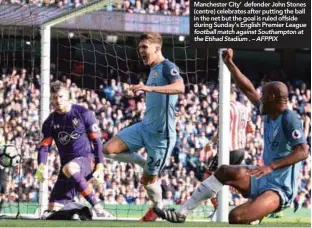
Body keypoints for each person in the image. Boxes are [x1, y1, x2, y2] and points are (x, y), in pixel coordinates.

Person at [153, 48, 309, 224]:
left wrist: (271, 166)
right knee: (225, 171)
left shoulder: (289, 118)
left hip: (280, 188)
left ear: (272, 97)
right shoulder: (268, 111)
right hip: (263, 177)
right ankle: (181, 212)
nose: (260, 98)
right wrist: (230, 64)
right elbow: (249, 90)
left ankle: (257, 212)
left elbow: (303, 152)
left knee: (235, 217)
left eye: (264, 95)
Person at [103, 32, 185, 222]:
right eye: (139, 47)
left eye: (144, 47)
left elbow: (180, 87)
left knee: (146, 181)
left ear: (157, 48)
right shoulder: (153, 69)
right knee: (108, 150)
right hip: (144, 127)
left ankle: (156, 210)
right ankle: (141, 161)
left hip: (161, 137)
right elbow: (164, 98)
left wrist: (148, 88)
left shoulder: (167, 66)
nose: (140, 51)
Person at [35, 81, 112, 218]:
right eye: (54, 97)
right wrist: (41, 164)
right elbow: (44, 147)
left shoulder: (83, 113)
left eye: (60, 97)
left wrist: (100, 165)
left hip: (87, 161)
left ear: (68, 97)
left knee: (70, 168)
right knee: (53, 211)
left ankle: (98, 208)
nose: (57, 101)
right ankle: (81, 211)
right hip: (67, 168)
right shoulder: (49, 122)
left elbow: (97, 141)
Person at [204, 87, 254, 211]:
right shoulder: (244, 108)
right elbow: (251, 128)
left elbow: (222, 128)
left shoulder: (226, 108)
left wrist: (211, 142)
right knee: (230, 179)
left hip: (228, 150)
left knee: (208, 175)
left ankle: (218, 206)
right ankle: (252, 201)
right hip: (241, 150)